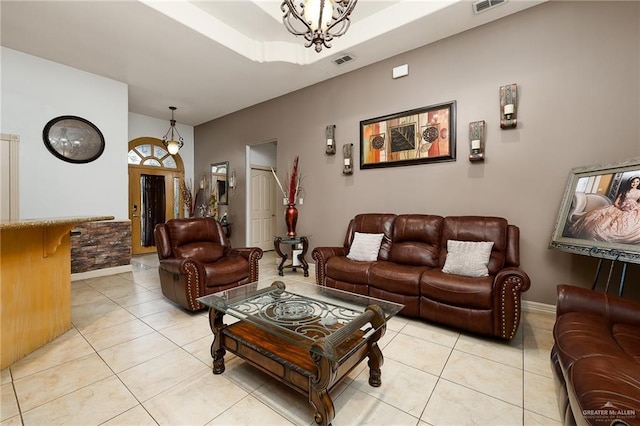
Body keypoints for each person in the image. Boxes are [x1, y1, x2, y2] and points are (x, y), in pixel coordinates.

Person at [568, 176, 640, 243]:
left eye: (637, 182)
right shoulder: (624, 192)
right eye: (633, 182)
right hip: (620, 208)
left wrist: (634, 207)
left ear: (639, 183)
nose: (634, 183)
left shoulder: (639, 192)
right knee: (602, 219)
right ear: (630, 182)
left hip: (632, 209)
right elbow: (616, 203)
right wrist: (620, 208)